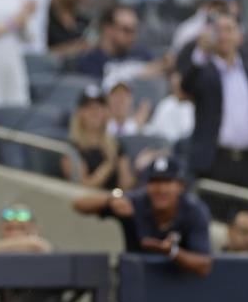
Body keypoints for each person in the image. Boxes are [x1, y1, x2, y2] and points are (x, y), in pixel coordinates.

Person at [180, 11, 248, 193]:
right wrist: (201, 53)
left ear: (240, 36)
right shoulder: (203, 70)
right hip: (216, 161)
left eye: (229, 29)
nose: (223, 35)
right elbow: (187, 86)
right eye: (218, 30)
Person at [72, 156, 213, 276]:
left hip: (178, 285)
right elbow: (79, 204)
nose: (161, 189)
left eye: (167, 182)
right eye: (155, 182)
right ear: (146, 185)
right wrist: (112, 199)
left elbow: (204, 265)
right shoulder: (137, 202)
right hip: (136, 279)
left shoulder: (194, 211)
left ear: (180, 187)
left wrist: (172, 252)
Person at [61, 84, 134, 190]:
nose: (95, 112)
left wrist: (138, 168)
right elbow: (83, 187)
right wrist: (109, 164)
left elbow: (126, 187)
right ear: (80, 112)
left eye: (100, 107)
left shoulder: (116, 145)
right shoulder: (72, 150)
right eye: (89, 107)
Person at [76, 6, 154, 81]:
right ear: (106, 28)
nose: (132, 36)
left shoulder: (143, 56)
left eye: (134, 30)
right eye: (126, 30)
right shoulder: (91, 61)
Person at [142, 72, 194, 144]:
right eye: (174, 85)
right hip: (159, 144)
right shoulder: (165, 103)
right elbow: (154, 127)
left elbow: (187, 132)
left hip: (178, 147)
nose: (176, 88)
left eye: (178, 85)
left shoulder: (189, 106)